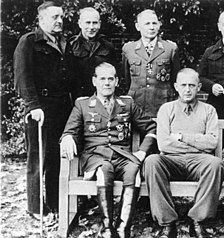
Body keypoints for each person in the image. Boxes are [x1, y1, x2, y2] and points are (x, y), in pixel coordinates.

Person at [60, 62, 156, 238]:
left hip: (122, 156)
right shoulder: (82, 105)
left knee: (134, 171)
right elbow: (70, 130)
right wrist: (67, 138)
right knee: (105, 170)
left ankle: (122, 228)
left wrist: (142, 152)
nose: (107, 83)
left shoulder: (127, 104)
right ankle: (106, 228)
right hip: (95, 157)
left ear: (117, 81)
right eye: (102, 79)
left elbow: (151, 128)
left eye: (110, 79)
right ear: (94, 81)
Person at [143, 68, 224, 238]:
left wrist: (181, 137)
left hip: (199, 162)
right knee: (152, 161)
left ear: (199, 87)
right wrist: (197, 143)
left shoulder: (208, 110)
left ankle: (197, 220)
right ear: (176, 86)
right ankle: (167, 223)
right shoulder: (167, 109)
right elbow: (164, 144)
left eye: (192, 85)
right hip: (172, 161)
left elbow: (212, 142)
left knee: (216, 163)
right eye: (183, 85)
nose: (187, 90)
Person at [13, 1, 74, 219]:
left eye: (61, 17)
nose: (59, 21)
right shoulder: (29, 42)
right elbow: (22, 77)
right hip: (41, 108)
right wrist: (33, 106)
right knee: (38, 158)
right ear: (41, 20)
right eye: (54, 17)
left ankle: (55, 203)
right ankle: (35, 207)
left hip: (62, 107)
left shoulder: (63, 42)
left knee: (56, 158)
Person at [122, 9, 181, 118]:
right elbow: (126, 80)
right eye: (147, 23)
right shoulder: (129, 49)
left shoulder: (170, 49)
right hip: (136, 105)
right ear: (138, 26)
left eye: (154, 23)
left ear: (159, 25)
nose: (151, 27)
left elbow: (175, 79)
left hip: (162, 105)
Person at [70, 7, 118, 99]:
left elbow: (115, 73)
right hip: (79, 97)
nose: (91, 27)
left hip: (102, 97)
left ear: (99, 24)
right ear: (80, 24)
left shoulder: (107, 45)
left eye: (95, 23)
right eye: (88, 23)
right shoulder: (71, 46)